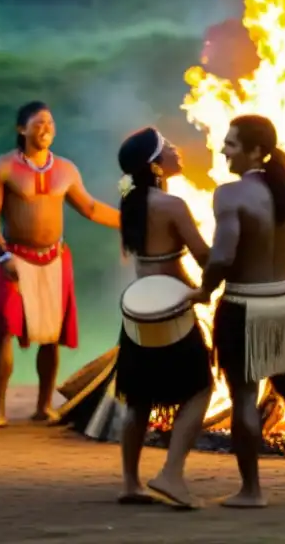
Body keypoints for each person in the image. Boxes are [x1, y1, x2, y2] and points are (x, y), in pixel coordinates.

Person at [201, 114, 285, 507]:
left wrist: (203, 289)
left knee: (244, 397)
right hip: (284, 304)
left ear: (257, 151)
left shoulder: (229, 195)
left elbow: (222, 257)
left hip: (243, 306)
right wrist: (278, 266)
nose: (224, 149)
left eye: (232, 143)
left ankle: (252, 491)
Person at [0, 101, 120, 432]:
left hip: (54, 258)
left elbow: (90, 207)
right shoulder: (2, 167)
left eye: (50, 124)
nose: (46, 129)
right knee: (5, 329)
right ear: (21, 129)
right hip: (14, 257)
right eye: (38, 123)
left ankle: (43, 406)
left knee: (51, 336)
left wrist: (130, 222)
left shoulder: (66, 170)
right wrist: (2, 255)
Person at [114, 128, 213, 508]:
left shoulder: (131, 202)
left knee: (138, 398)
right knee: (200, 388)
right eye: (168, 146)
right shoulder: (172, 205)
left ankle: (130, 483)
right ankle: (171, 473)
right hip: (172, 307)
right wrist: (207, 283)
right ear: (156, 164)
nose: (176, 149)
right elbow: (204, 256)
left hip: (139, 309)